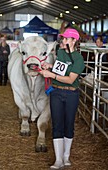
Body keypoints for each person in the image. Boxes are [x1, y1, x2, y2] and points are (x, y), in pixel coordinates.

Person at [40, 28, 85, 169]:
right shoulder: (60, 52)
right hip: (56, 93)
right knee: (57, 124)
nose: (63, 40)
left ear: (73, 41)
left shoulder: (79, 58)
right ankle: (58, 159)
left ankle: (66, 157)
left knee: (69, 125)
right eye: (63, 38)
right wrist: (51, 66)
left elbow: (71, 79)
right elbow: (62, 69)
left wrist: (50, 75)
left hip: (71, 93)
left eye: (66, 38)